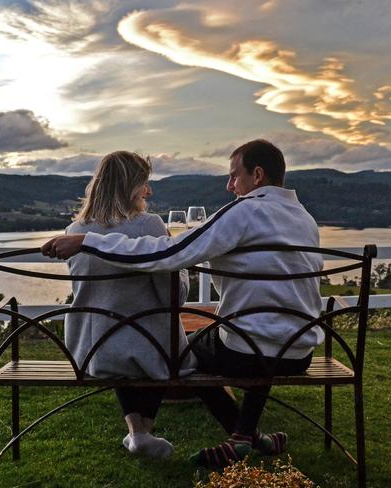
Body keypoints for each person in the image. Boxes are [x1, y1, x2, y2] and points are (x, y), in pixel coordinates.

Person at [42, 139, 324, 467]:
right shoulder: (303, 218)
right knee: (249, 333)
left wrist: (88, 241)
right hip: (298, 352)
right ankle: (248, 434)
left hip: (247, 353)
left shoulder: (244, 211)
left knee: (186, 353)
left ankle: (240, 436)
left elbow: (170, 253)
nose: (229, 185)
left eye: (234, 176)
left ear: (257, 175)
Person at [63, 150, 193, 459]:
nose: (149, 191)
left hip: (89, 350)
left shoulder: (74, 232)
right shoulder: (148, 225)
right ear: (130, 187)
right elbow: (173, 297)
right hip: (143, 349)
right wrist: (184, 267)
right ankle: (142, 433)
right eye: (145, 183)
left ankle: (138, 434)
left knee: (126, 325)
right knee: (171, 340)